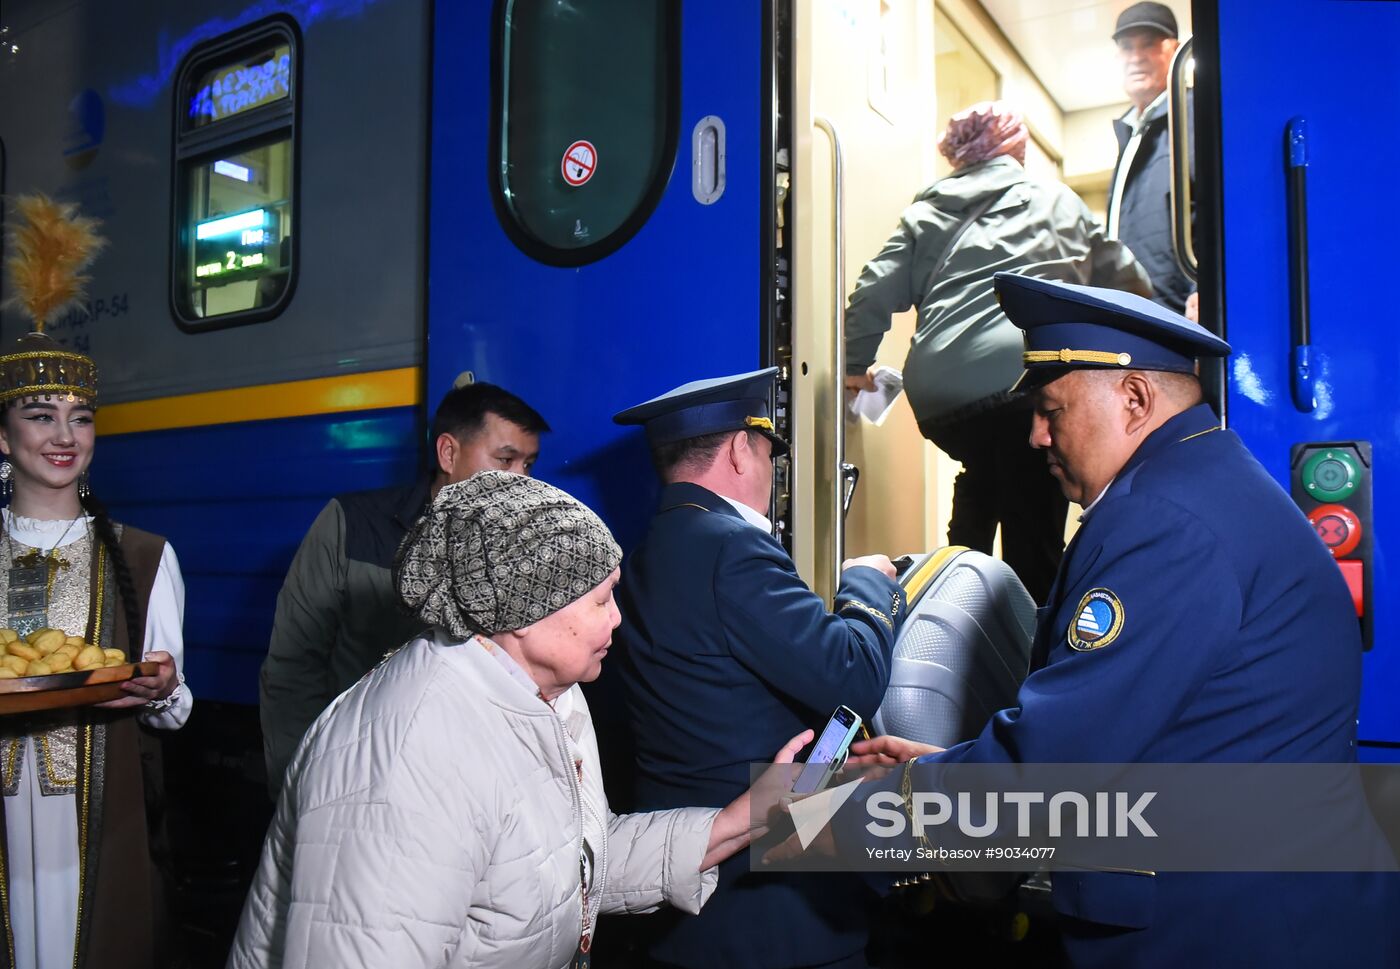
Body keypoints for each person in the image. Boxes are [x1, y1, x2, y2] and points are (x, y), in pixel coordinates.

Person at [836, 273, 1400, 966]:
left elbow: (1057, 766)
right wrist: (945, 768)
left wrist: (856, 814)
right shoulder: (1199, 483)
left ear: (1134, 399)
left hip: (1238, 934)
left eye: (1051, 409)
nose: (1036, 435)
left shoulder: (1163, 522)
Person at [227, 471, 811, 969]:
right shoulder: (407, 761)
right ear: (527, 612)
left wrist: (745, 818)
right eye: (601, 599)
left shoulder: (546, 693)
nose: (618, 619)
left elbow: (568, 862)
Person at [611, 367, 907, 969]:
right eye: (770, 454)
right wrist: (866, 583)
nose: (771, 471)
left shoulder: (643, 556)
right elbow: (854, 676)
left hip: (690, 902)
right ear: (741, 451)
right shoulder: (730, 548)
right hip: (773, 909)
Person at [843, 100, 1150, 603]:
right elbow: (1127, 281)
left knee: (985, 471)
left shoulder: (924, 213)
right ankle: (1032, 636)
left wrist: (854, 366)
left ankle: (952, 595)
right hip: (1024, 384)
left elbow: (872, 292)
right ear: (1013, 148)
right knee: (1034, 516)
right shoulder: (1056, 201)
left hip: (940, 398)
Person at [0, 330, 190, 969]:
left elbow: (173, 707)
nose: (65, 435)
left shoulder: (144, 556)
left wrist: (162, 687)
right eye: (40, 416)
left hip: (99, 815)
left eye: (80, 418)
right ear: (2, 438)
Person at [258, 379, 548, 794]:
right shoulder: (352, 524)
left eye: (529, 465)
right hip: (355, 773)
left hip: (466, 782)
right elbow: (293, 666)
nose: (521, 480)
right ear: (448, 453)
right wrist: (300, 784)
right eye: (506, 460)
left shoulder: (524, 546)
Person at [1106, 1, 1195, 313]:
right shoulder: (1131, 132)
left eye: (1149, 44)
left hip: (1178, 311)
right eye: (1127, 47)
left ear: (1175, 50)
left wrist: (1203, 288)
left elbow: (1220, 205)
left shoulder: (1193, 112)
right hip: (1134, 311)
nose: (1136, 57)